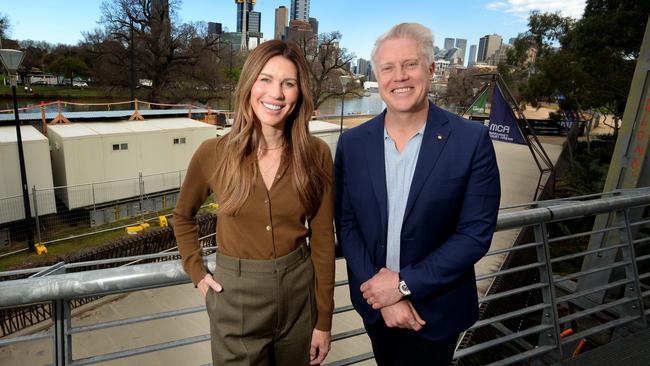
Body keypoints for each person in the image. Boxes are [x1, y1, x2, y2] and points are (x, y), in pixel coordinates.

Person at [334, 23, 501, 366]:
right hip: (376, 307)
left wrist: (403, 286)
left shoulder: (470, 140)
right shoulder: (352, 143)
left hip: (436, 312)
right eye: (388, 68)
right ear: (377, 76)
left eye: (410, 64)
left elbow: (474, 234)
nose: (400, 77)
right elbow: (347, 225)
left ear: (430, 68)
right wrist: (382, 296)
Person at [173, 40, 335, 366]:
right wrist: (196, 271)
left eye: (288, 84)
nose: (275, 94)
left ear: (299, 93)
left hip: (298, 298)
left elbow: (322, 240)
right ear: (249, 85)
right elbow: (182, 217)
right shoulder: (213, 153)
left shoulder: (317, 154)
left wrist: (323, 321)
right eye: (265, 79)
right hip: (236, 301)